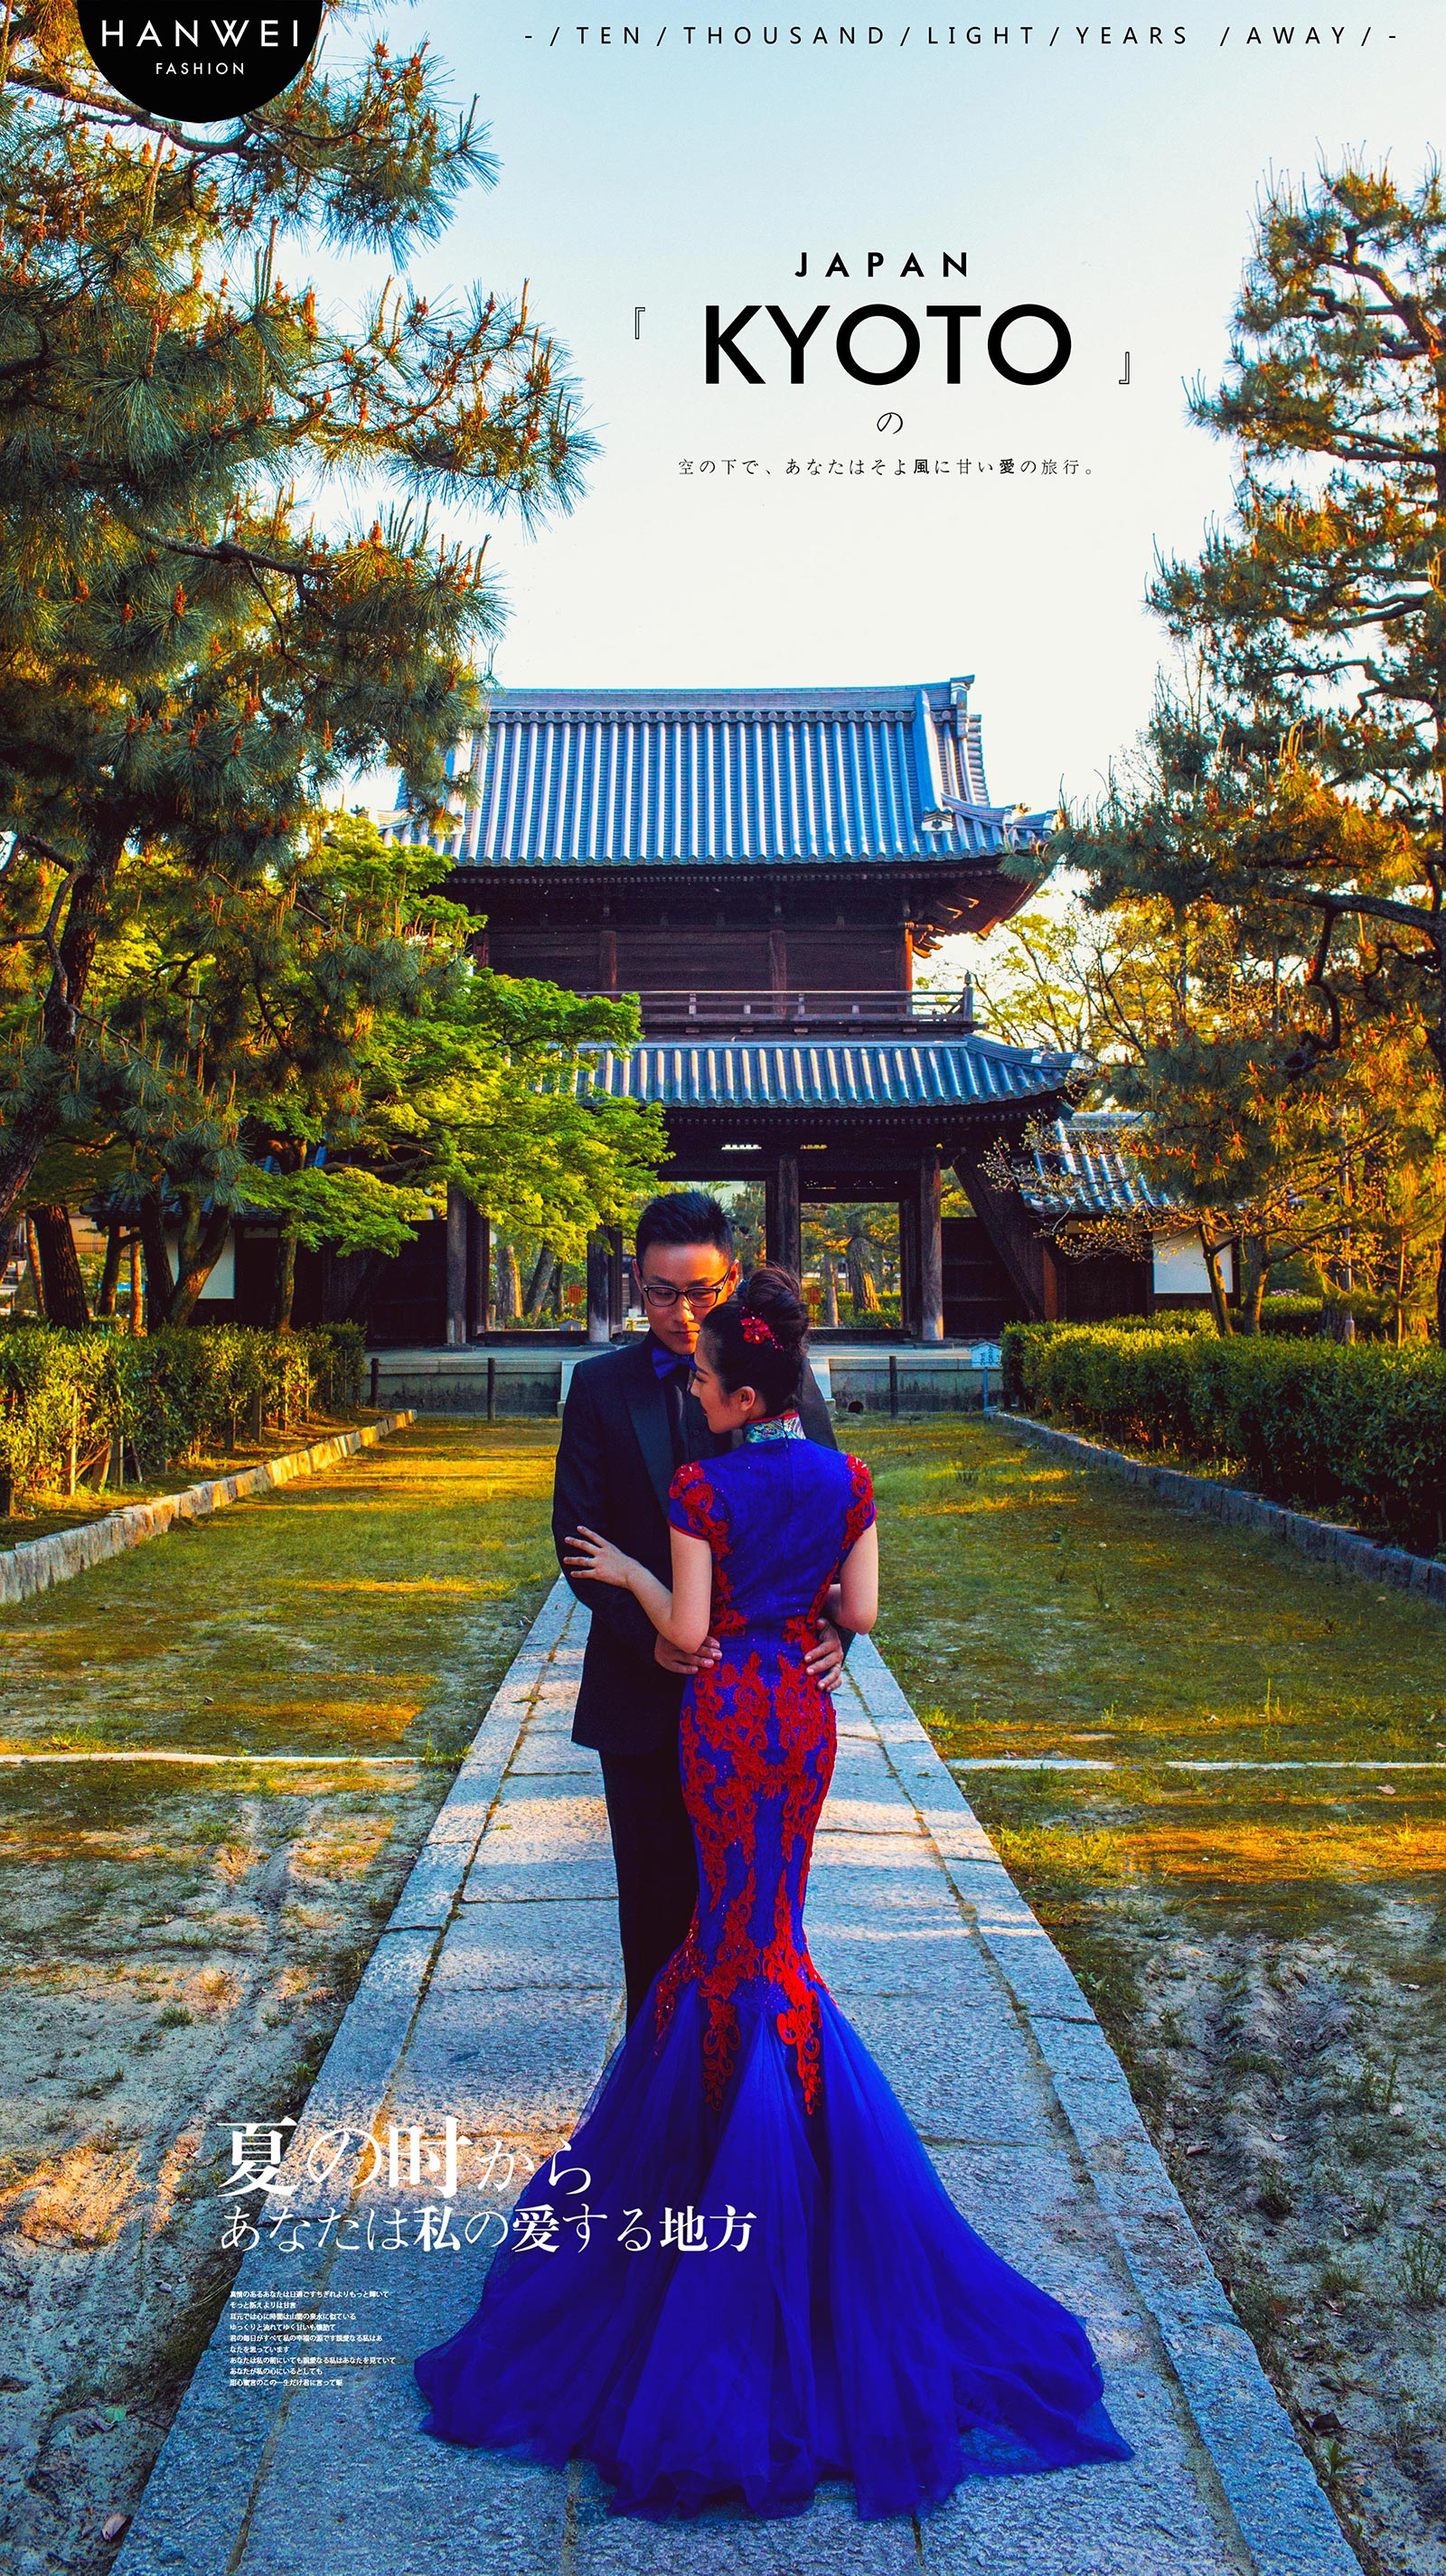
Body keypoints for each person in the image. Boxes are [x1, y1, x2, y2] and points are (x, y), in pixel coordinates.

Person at [413, 1265, 1133, 2523]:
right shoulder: (847, 1477)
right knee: (775, 1931)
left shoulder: (702, 1487)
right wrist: (817, 1630)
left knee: (719, 1934)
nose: (692, 1387)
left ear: (745, 1393)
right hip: (799, 1714)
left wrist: (633, 1574)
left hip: (721, 1710)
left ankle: (712, 2156)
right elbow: (862, 1611)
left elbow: (685, 1636)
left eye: (705, 1378)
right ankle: (798, 2158)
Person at [550, 1188, 846, 2025]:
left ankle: (748, 2070)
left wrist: (834, 1630)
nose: (682, 1313)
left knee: (753, 1917)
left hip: (762, 1709)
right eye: (661, 1292)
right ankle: (657, 2075)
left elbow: (827, 1513)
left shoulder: (780, 1376)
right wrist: (649, 1638)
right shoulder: (600, 1387)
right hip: (642, 1697)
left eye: (703, 1292)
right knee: (653, 1915)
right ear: (635, 1284)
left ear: (733, 1278)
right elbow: (578, 1539)